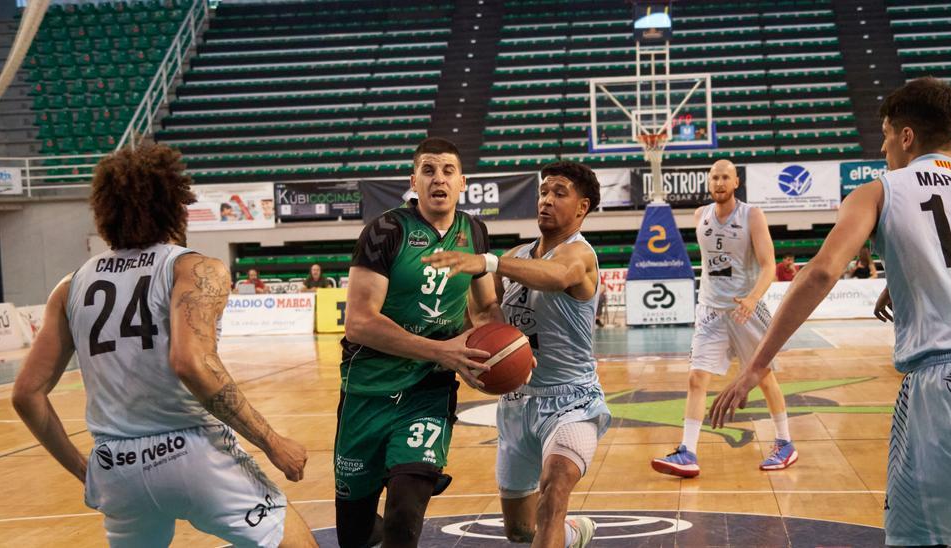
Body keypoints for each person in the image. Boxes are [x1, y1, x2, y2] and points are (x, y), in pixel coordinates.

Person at [710, 77, 951, 547]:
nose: (884, 145)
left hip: (950, 388)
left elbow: (820, 273)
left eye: (887, 134)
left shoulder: (879, 191)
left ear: (906, 135)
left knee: (924, 539)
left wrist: (758, 363)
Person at [11, 143, 317, 548]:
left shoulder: (70, 287)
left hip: (115, 465)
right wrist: (273, 442)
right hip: (192, 453)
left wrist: (87, 472)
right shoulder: (193, 268)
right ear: (174, 204)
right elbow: (191, 363)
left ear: (104, 212)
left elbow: (26, 394)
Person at [423, 160, 607, 548]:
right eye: (543, 191)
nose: (546, 199)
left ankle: (561, 525)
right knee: (521, 530)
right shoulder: (517, 257)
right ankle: (574, 534)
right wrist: (474, 274)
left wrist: (487, 261)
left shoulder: (580, 256)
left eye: (559, 193)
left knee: (553, 495)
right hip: (516, 403)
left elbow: (558, 276)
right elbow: (488, 315)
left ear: (582, 207)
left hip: (571, 401)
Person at [335, 137, 499, 548]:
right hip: (366, 389)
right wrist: (442, 349)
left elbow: (485, 309)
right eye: (428, 170)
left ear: (463, 182)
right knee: (353, 536)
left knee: (405, 512)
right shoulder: (386, 231)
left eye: (447, 171)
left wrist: (494, 352)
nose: (437, 179)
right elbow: (358, 323)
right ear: (414, 181)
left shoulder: (474, 231)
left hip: (428, 390)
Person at [651, 159, 797, 479]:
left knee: (763, 376)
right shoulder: (699, 215)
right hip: (710, 311)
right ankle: (687, 451)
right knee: (696, 378)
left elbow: (769, 265)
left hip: (746, 310)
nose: (719, 182)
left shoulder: (752, 215)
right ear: (708, 183)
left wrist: (752, 298)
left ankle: (785, 442)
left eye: (725, 177)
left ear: (735, 183)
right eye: (714, 177)